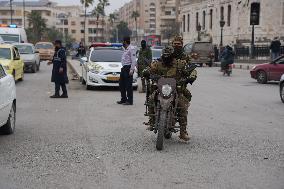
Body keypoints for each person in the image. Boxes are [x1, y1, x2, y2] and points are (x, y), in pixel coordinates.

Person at [143, 46, 197, 141]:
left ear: (172, 56)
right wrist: (146, 72)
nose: (166, 58)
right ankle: (152, 122)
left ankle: (183, 132)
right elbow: (148, 68)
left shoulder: (179, 63)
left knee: (183, 107)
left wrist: (191, 76)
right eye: (165, 56)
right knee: (151, 99)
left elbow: (192, 70)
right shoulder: (157, 63)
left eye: (168, 56)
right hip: (161, 89)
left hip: (175, 89)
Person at [117, 36, 137, 105]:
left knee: (128, 86)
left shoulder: (131, 49)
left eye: (123, 41)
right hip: (124, 68)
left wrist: (132, 69)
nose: (122, 42)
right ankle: (123, 99)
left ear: (125, 42)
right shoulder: (126, 49)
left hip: (128, 68)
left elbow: (133, 60)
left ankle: (130, 101)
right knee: (121, 84)